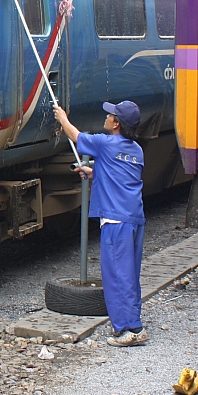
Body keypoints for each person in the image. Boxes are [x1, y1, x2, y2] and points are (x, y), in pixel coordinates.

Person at [54, 101, 147, 348]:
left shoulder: (106, 144)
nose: (106, 116)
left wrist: (62, 117)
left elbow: (76, 136)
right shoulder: (136, 150)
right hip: (134, 218)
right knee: (129, 274)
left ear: (117, 124)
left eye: (111, 114)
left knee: (116, 276)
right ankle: (133, 322)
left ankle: (129, 329)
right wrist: (95, 173)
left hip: (115, 221)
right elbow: (122, 176)